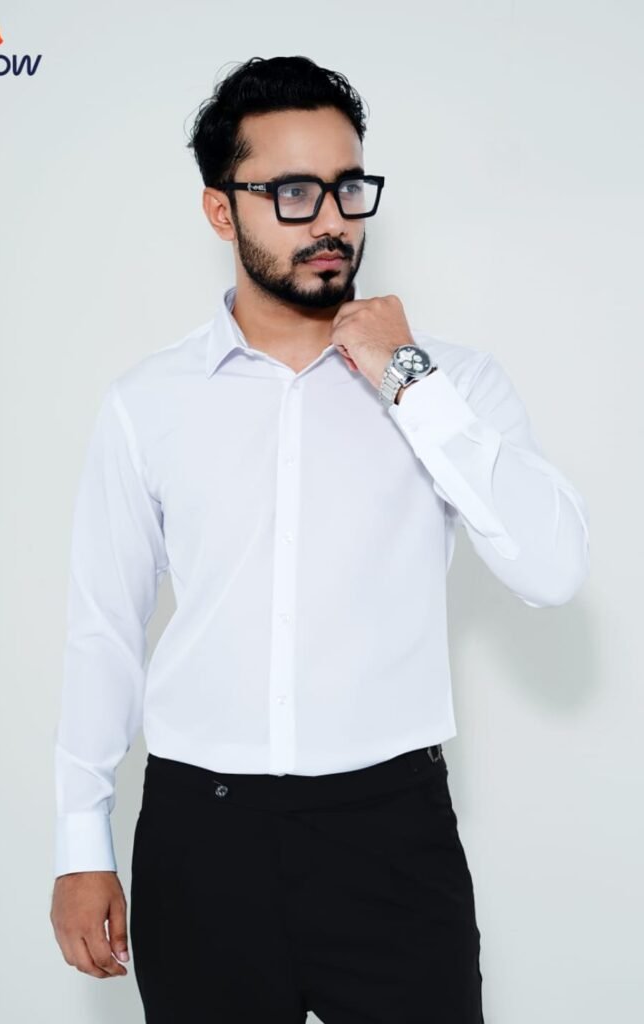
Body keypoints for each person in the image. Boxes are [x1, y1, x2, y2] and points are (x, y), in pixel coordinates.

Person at [49, 55, 590, 1023]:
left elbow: (552, 570)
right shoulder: (147, 404)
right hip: (201, 840)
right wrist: (78, 844)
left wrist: (407, 379)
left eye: (347, 188)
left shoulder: (451, 384)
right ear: (222, 211)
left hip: (392, 835)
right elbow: (105, 630)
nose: (332, 220)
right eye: (293, 193)